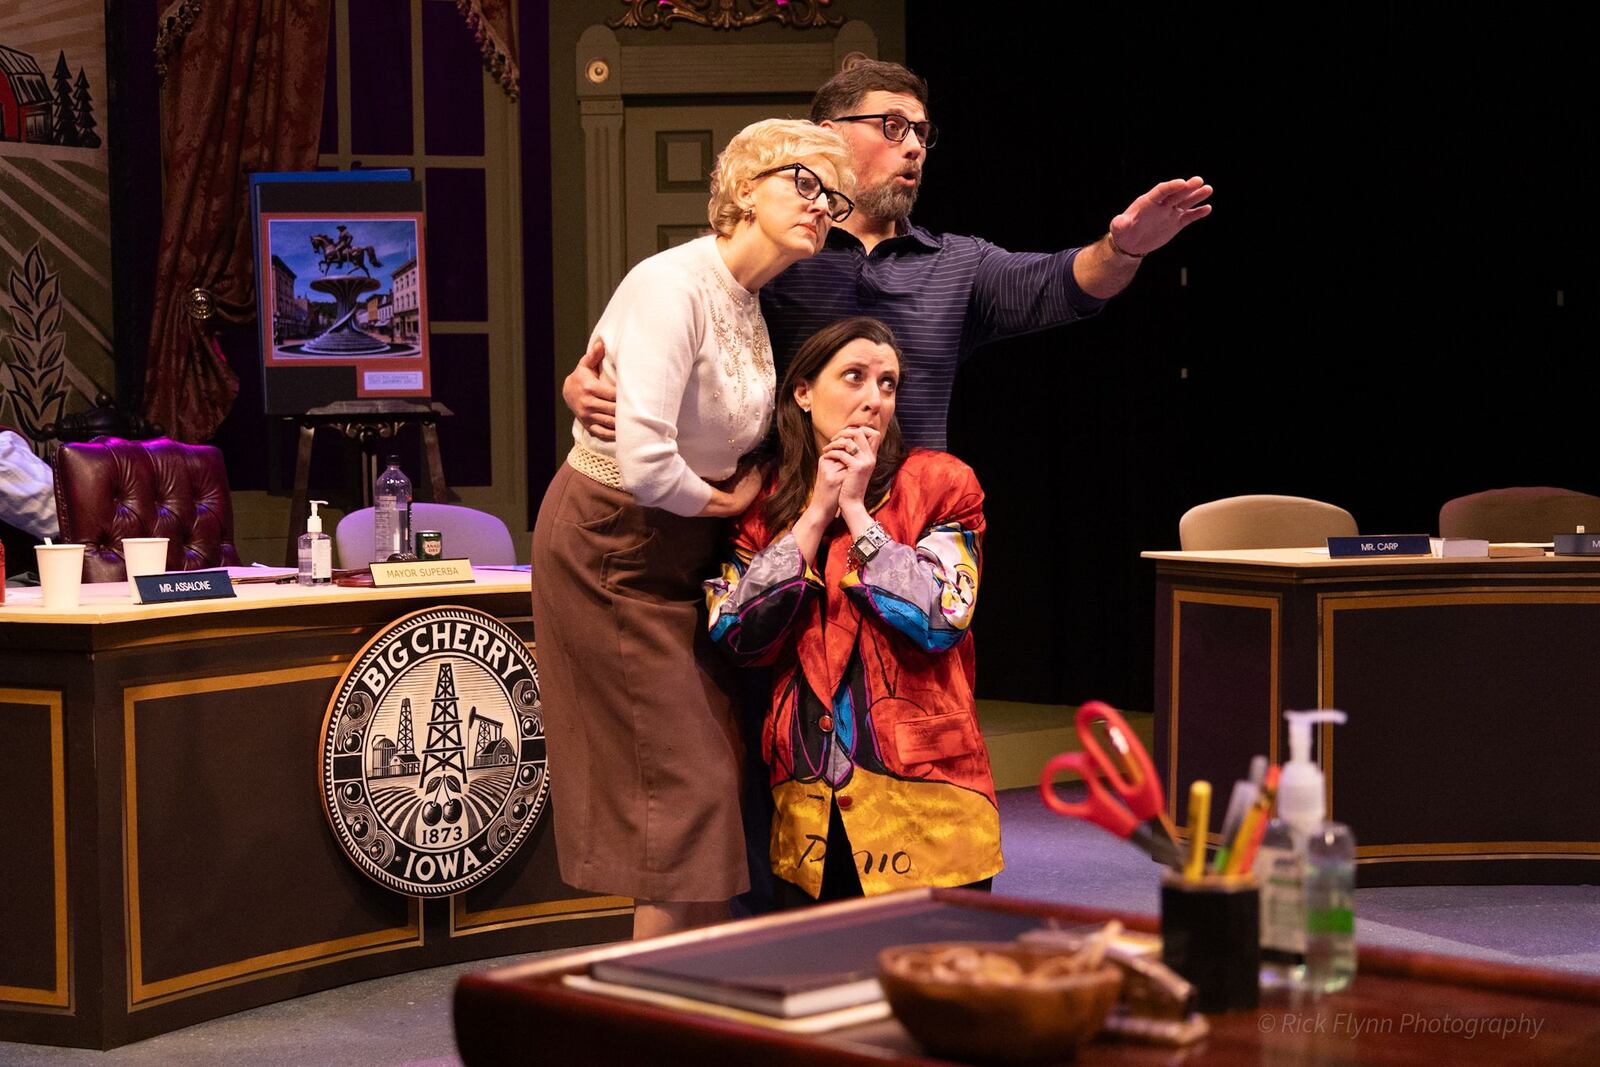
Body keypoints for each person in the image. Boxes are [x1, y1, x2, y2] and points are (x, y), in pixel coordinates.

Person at [530, 118, 854, 939]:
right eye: (804, 183)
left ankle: (688, 1000)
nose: (822, 206)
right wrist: (726, 502)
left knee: (710, 784)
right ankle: (650, 1021)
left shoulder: (747, 297)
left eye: (832, 195)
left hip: (680, 550)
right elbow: (643, 463)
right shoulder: (671, 284)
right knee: (683, 789)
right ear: (744, 187)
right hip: (613, 544)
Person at [564, 57, 1214, 450]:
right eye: (892, 127)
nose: (913, 148)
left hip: (914, 538)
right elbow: (682, 303)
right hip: (781, 535)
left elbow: (1061, 283)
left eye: (922, 134)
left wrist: (1123, 247)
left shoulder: (959, 263)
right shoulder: (783, 245)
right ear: (827, 138)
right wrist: (598, 377)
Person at [704, 317, 998, 903]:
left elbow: (943, 618)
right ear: (804, 393)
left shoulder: (942, 482)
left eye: (887, 384)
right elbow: (736, 633)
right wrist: (814, 513)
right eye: (855, 377)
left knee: (935, 981)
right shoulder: (762, 504)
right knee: (824, 982)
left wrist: (859, 514)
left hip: (928, 799)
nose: (873, 399)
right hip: (808, 800)